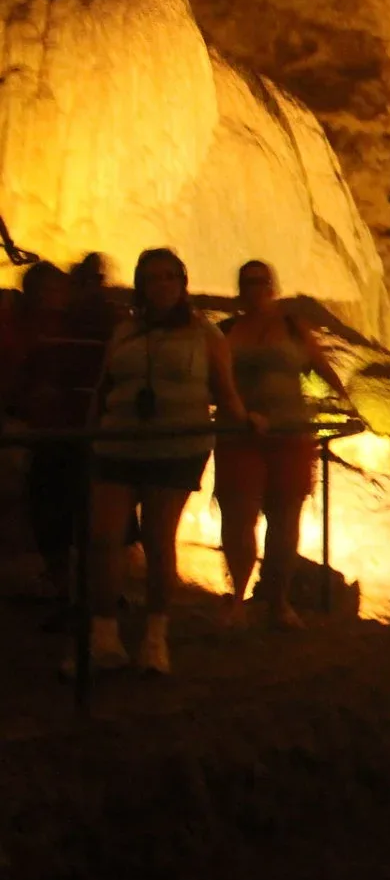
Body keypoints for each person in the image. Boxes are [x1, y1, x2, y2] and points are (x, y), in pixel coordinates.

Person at [82, 248, 257, 676]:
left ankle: (154, 638)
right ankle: (104, 636)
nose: (160, 285)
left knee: (159, 541)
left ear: (181, 284)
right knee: (105, 539)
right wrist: (88, 434)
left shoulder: (205, 335)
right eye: (151, 278)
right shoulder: (124, 332)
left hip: (175, 449)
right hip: (117, 444)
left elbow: (225, 391)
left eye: (167, 277)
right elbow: (103, 387)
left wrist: (248, 418)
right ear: (141, 285)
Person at [215, 260, 349, 631]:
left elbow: (320, 365)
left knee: (285, 520)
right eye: (247, 283)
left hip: (290, 433)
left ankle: (278, 599)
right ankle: (238, 599)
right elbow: (214, 377)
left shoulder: (292, 327)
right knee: (239, 517)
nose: (255, 288)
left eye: (260, 281)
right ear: (240, 289)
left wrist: (346, 402)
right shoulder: (226, 330)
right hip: (238, 434)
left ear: (271, 286)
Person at [0, 261, 113, 628]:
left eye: (56, 291)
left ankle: (84, 591)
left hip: (77, 429)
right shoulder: (23, 327)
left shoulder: (79, 325)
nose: (52, 299)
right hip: (44, 430)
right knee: (48, 512)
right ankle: (64, 588)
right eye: (45, 292)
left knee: (80, 514)